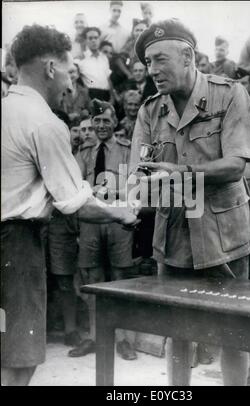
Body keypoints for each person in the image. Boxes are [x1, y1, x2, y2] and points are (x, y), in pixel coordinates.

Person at [1, 24, 139, 387]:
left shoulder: (5, 110)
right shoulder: (45, 123)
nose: (70, 84)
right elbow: (75, 203)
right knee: (19, 357)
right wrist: (122, 212)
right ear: (50, 68)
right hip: (16, 248)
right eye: (68, 71)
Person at [131, 19, 250, 386]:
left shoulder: (230, 94)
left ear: (188, 56)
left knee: (232, 333)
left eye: (159, 59)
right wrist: (136, 191)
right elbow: (137, 177)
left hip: (223, 236)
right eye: (147, 63)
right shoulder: (150, 110)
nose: (152, 71)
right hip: (172, 238)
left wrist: (177, 173)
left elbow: (237, 165)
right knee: (177, 332)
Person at [69, 100, 139, 360]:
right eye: (96, 121)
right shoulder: (84, 152)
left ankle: (123, 340)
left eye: (105, 121)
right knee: (92, 280)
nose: (100, 126)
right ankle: (95, 337)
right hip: (90, 222)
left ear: (115, 122)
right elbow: (74, 184)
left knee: (120, 277)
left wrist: (113, 192)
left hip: (118, 221)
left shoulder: (126, 149)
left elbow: (136, 186)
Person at [76, 27, 113, 101]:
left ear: (99, 39)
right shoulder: (80, 59)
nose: (93, 40)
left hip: (106, 94)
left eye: (96, 38)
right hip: (91, 94)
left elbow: (108, 79)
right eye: (90, 38)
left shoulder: (104, 58)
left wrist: (112, 97)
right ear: (86, 40)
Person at [112, 19, 148, 92]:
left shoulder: (151, 44)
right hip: (133, 78)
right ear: (133, 32)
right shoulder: (130, 45)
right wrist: (128, 74)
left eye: (142, 30)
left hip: (149, 78)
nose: (139, 33)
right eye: (137, 30)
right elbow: (118, 59)